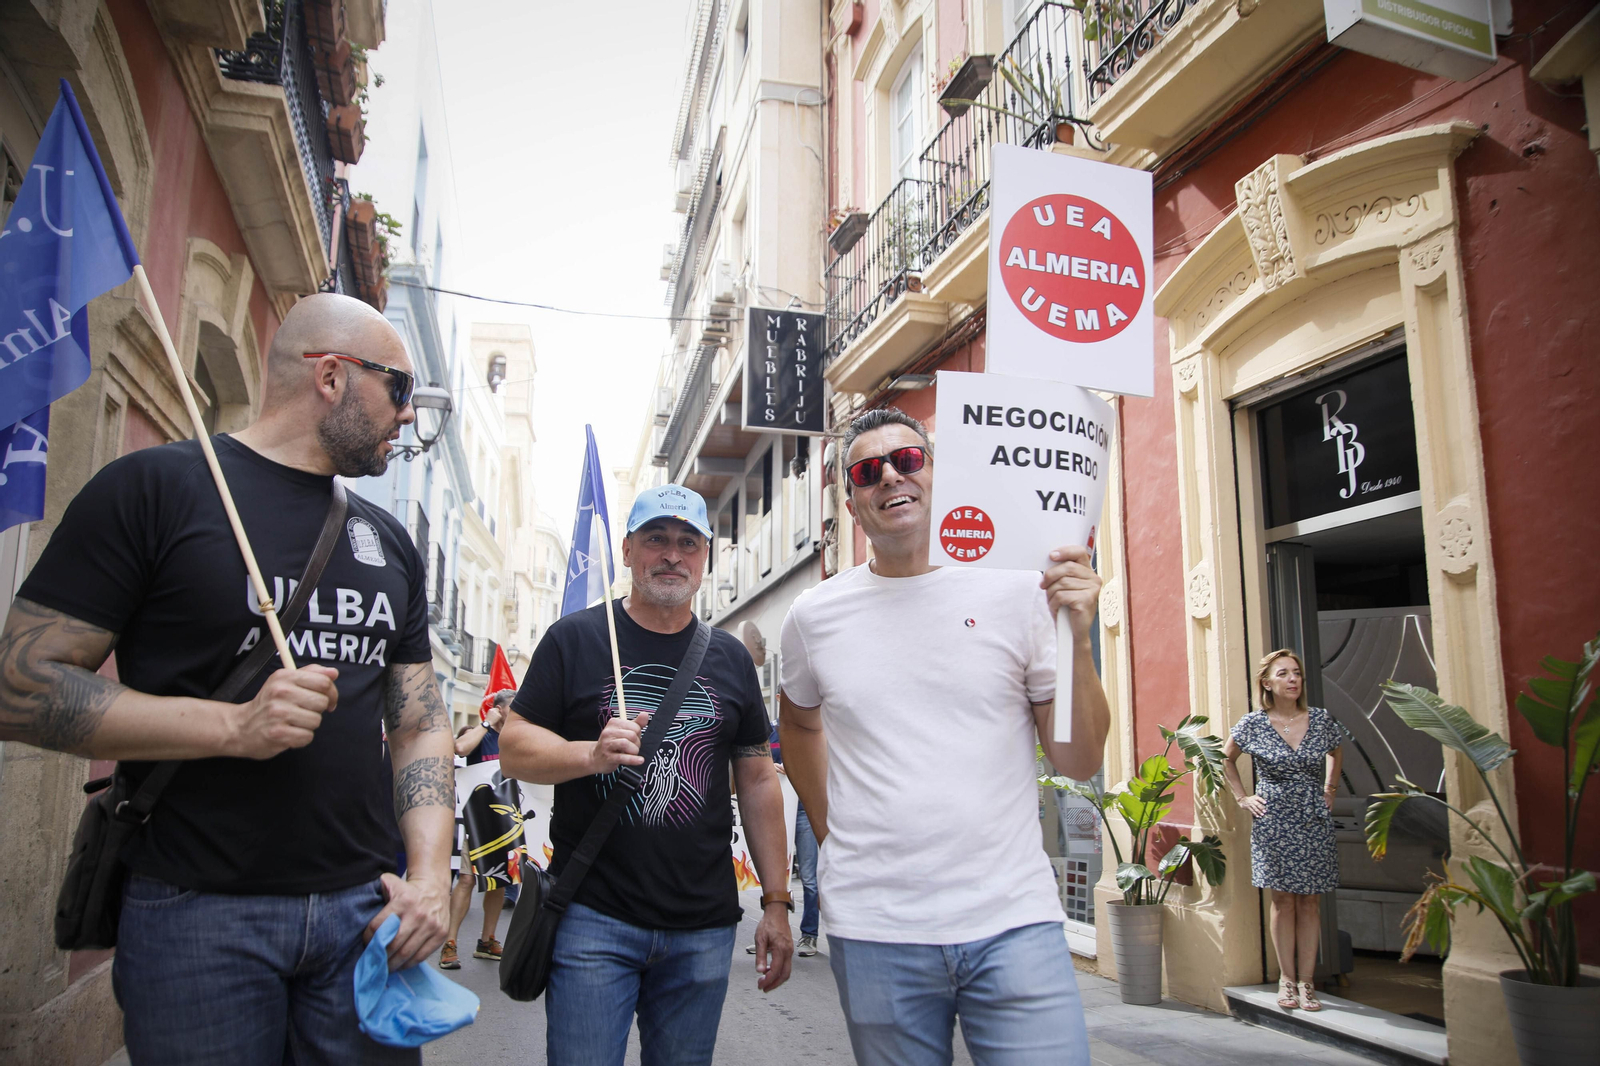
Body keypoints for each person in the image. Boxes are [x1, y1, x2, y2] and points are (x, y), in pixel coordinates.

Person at [0, 293, 453, 1064]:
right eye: (399, 389)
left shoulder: (389, 541)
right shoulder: (155, 490)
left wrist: (431, 876)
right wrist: (232, 728)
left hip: (364, 913)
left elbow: (418, 723)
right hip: (195, 913)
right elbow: (21, 684)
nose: (407, 416)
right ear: (333, 377)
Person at [779, 408, 1111, 1066]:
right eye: (869, 471)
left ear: (939, 474)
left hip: (1013, 922)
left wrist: (1076, 633)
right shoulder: (813, 617)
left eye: (908, 460)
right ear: (851, 503)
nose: (891, 479)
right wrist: (831, 832)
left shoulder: (1019, 590)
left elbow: (1078, 758)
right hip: (876, 927)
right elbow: (798, 722)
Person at [499, 484, 794, 1066]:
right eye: (656, 538)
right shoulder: (577, 638)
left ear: (705, 558)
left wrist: (778, 904)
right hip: (592, 919)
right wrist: (590, 754)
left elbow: (759, 781)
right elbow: (514, 746)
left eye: (689, 542)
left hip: (702, 926)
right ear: (629, 549)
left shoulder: (731, 659)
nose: (672, 554)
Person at [1223, 648, 1350, 1013]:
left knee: (1310, 900)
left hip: (1313, 818)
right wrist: (1243, 798)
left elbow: (1337, 753)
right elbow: (1225, 759)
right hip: (1274, 819)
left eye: (1296, 673)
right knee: (1282, 900)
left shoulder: (1322, 720)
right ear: (1267, 682)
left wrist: (1330, 790)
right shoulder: (1253, 724)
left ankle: (1308, 983)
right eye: (1284, 674)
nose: (1293, 679)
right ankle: (1287, 980)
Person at [439, 690, 512, 969]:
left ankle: (487, 940)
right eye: (511, 707)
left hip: (507, 818)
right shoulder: (483, 735)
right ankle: (450, 942)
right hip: (478, 816)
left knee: (498, 880)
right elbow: (460, 749)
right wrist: (485, 723)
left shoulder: (513, 736)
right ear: (498, 709)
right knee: (467, 880)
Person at [746, 720, 819, 958]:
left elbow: (822, 764)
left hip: (805, 810)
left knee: (808, 876)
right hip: (777, 808)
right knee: (772, 874)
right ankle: (772, 931)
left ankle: (809, 934)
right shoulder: (768, 730)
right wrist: (769, 766)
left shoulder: (813, 728)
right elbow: (752, 762)